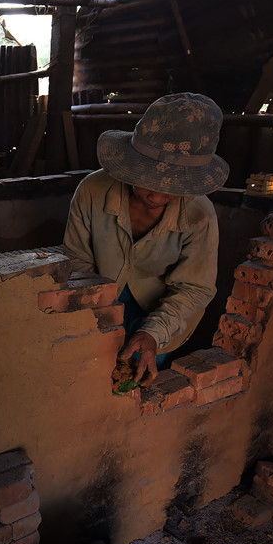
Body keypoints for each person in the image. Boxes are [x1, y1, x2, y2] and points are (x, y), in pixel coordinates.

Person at [63, 93, 229, 384]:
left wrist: (153, 332)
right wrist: (95, 319)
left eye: (174, 187)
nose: (157, 196)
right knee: (91, 373)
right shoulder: (92, 191)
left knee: (139, 378)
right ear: (131, 166)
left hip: (164, 311)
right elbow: (77, 261)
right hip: (101, 299)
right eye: (148, 181)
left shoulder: (199, 214)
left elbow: (195, 288)